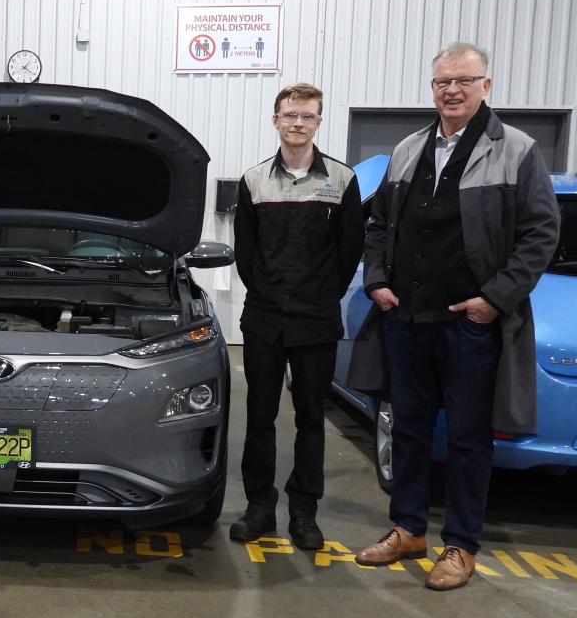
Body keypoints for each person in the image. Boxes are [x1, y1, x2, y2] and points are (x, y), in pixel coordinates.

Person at [352, 43, 559, 590]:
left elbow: (541, 233)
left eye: (464, 81)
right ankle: (408, 528)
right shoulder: (407, 149)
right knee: (410, 431)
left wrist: (494, 299)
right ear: (433, 87)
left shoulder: (515, 150)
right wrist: (377, 281)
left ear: (485, 86)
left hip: (471, 325)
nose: (452, 90)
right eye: (443, 81)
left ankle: (461, 545)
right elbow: (376, 226)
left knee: (468, 438)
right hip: (407, 320)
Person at [231, 83, 363, 550]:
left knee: (311, 420)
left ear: (318, 122)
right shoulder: (254, 182)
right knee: (260, 419)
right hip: (265, 319)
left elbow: (350, 252)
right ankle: (259, 508)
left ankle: (305, 512)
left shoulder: (343, 182)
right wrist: (271, 297)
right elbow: (245, 257)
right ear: (275, 120)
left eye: (307, 116)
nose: (297, 123)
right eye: (289, 115)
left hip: (316, 322)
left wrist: (320, 296)